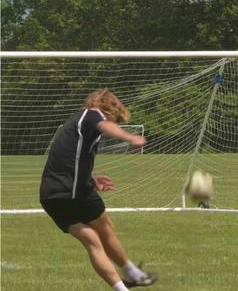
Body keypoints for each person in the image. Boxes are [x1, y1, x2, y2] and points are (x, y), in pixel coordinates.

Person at [40, 88, 158, 291]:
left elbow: (66, 162)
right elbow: (105, 126)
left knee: (92, 241)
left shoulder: (76, 122)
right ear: (110, 107)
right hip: (74, 191)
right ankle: (132, 273)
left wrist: (92, 181)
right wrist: (130, 138)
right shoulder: (94, 114)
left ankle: (123, 287)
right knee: (105, 229)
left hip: (50, 196)